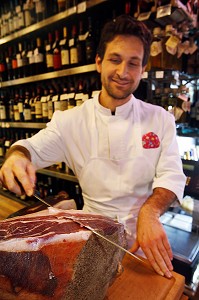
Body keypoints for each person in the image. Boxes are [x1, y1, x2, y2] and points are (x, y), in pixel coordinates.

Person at [0, 15, 186, 279]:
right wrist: (16, 157)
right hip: (92, 241)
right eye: (115, 59)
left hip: (143, 242)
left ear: (142, 69)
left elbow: (172, 174)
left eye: (133, 63)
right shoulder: (69, 121)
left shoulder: (160, 119)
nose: (123, 72)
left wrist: (151, 212)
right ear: (99, 62)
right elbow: (28, 149)